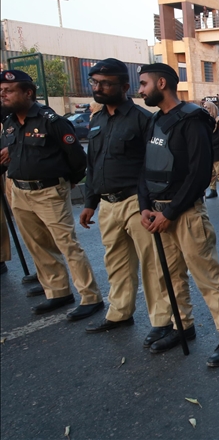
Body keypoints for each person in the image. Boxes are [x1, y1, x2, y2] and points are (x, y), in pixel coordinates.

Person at [136, 63, 219, 366]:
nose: (140, 90)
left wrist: (170, 212)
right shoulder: (155, 120)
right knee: (169, 276)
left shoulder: (192, 119)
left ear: (162, 83)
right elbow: (145, 167)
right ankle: (182, 327)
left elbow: (199, 174)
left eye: (144, 84)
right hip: (158, 213)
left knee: (207, 277)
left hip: (185, 214)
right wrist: (145, 206)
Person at [0, 70, 104, 320]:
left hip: (48, 192)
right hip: (20, 192)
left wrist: (65, 183)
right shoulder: (10, 122)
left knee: (67, 245)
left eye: (9, 90)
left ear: (28, 93)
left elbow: (77, 159)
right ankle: (57, 291)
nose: (3, 95)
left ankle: (90, 297)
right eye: (1, 91)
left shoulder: (51, 121)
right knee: (38, 245)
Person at [77, 58, 170, 337]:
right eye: (95, 82)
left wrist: (149, 203)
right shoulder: (97, 120)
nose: (98, 88)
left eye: (106, 83)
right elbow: (93, 164)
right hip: (107, 204)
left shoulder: (143, 119)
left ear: (125, 87)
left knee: (152, 264)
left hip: (136, 202)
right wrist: (90, 202)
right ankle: (119, 313)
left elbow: (154, 164)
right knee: (116, 263)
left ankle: (162, 322)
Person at [204, 100, 219, 200]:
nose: (205, 109)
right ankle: (213, 190)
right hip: (209, 151)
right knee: (211, 172)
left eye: (207, 107)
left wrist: (210, 143)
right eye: (204, 107)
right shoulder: (206, 120)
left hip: (217, 150)